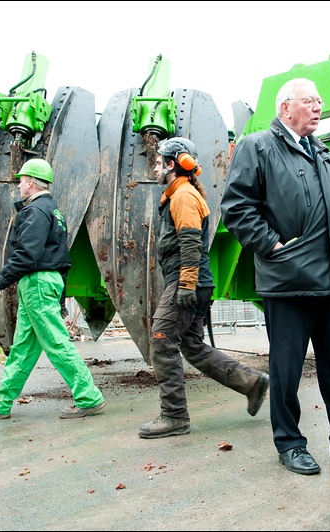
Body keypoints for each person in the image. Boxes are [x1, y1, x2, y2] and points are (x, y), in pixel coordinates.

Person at [221, 78, 330, 475]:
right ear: (285, 108)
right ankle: (290, 442)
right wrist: (273, 247)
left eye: (320, 101)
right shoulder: (258, 146)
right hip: (290, 280)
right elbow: (236, 207)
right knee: (287, 370)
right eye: (309, 101)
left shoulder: (323, 152)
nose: (318, 107)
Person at [138, 137, 270, 439]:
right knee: (192, 346)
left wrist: (185, 284)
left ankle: (174, 416)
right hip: (194, 282)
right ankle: (251, 383)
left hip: (188, 282)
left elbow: (190, 243)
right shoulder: (178, 194)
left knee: (161, 342)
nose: (156, 167)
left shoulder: (183, 196)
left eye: (160, 162)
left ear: (173, 164)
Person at [0, 158, 106, 420]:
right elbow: (63, 260)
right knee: (23, 347)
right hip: (47, 282)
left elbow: (26, 256)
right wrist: (60, 297)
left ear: (30, 183)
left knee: (56, 344)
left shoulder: (34, 212)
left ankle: (89, 397)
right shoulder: (54, 212)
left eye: (21, 181)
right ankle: (0, 402)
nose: (19, 185)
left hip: (37, 283)